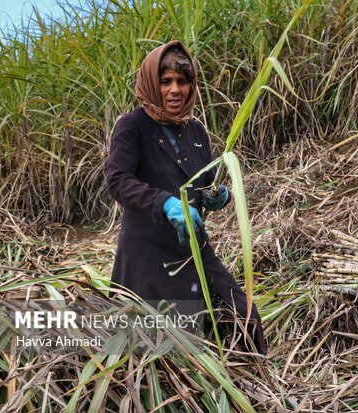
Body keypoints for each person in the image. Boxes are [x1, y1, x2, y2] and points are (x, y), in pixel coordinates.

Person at [106, 40, 266, 355]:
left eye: (182, 81)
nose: (174, 90)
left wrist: (215, 196)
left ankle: (252, 386)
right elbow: (118, 180)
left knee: (245, 319)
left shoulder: (195, 132)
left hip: (194, 250)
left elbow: (202, 182)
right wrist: (165, 203)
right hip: (148, 257)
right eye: (166, 82)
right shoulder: (132, 126)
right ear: (152, 83)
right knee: (164, 347)